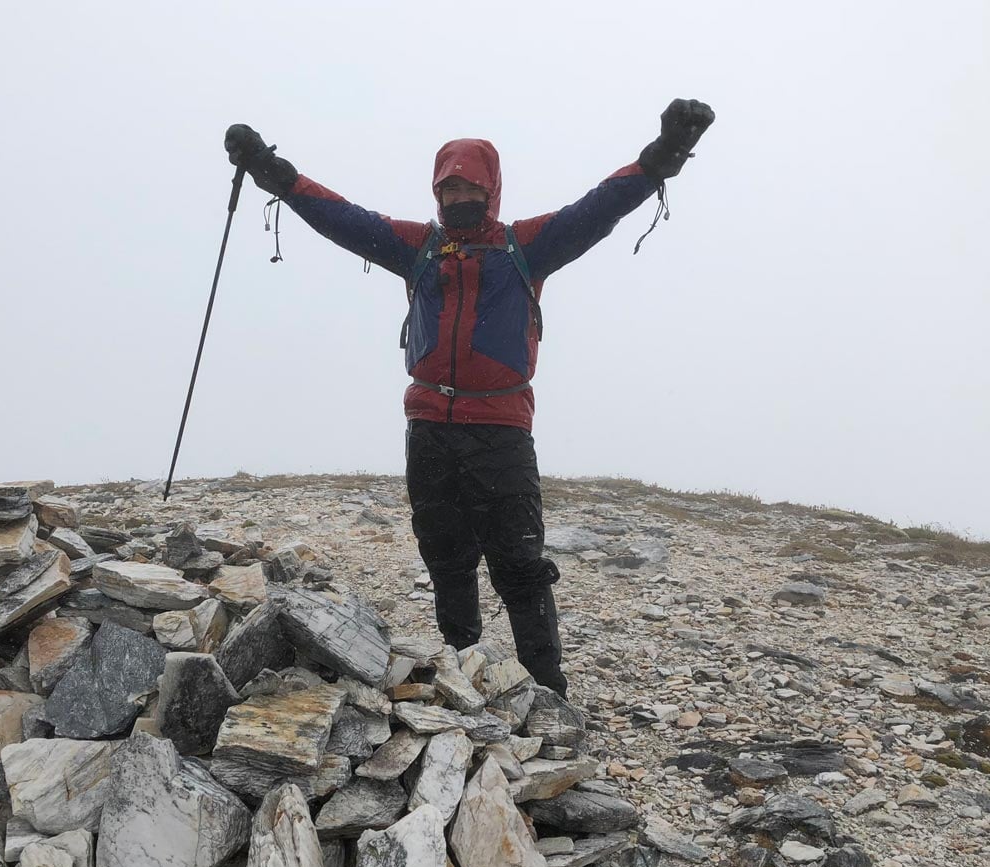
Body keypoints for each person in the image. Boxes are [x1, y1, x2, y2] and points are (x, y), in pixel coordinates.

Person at [225, 100, 714, 697]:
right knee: (446, 559)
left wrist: (660, 158)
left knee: (521, 569)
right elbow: (342, 219)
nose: (458, 198)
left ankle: (548, 694)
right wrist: (276, 174)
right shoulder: (418, 248)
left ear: (492, 189)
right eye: (447, 188)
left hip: (502, 431)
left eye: (469, 187)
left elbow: (600, 208)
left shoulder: (525, 246)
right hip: (429, 427)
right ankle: (463, 677)